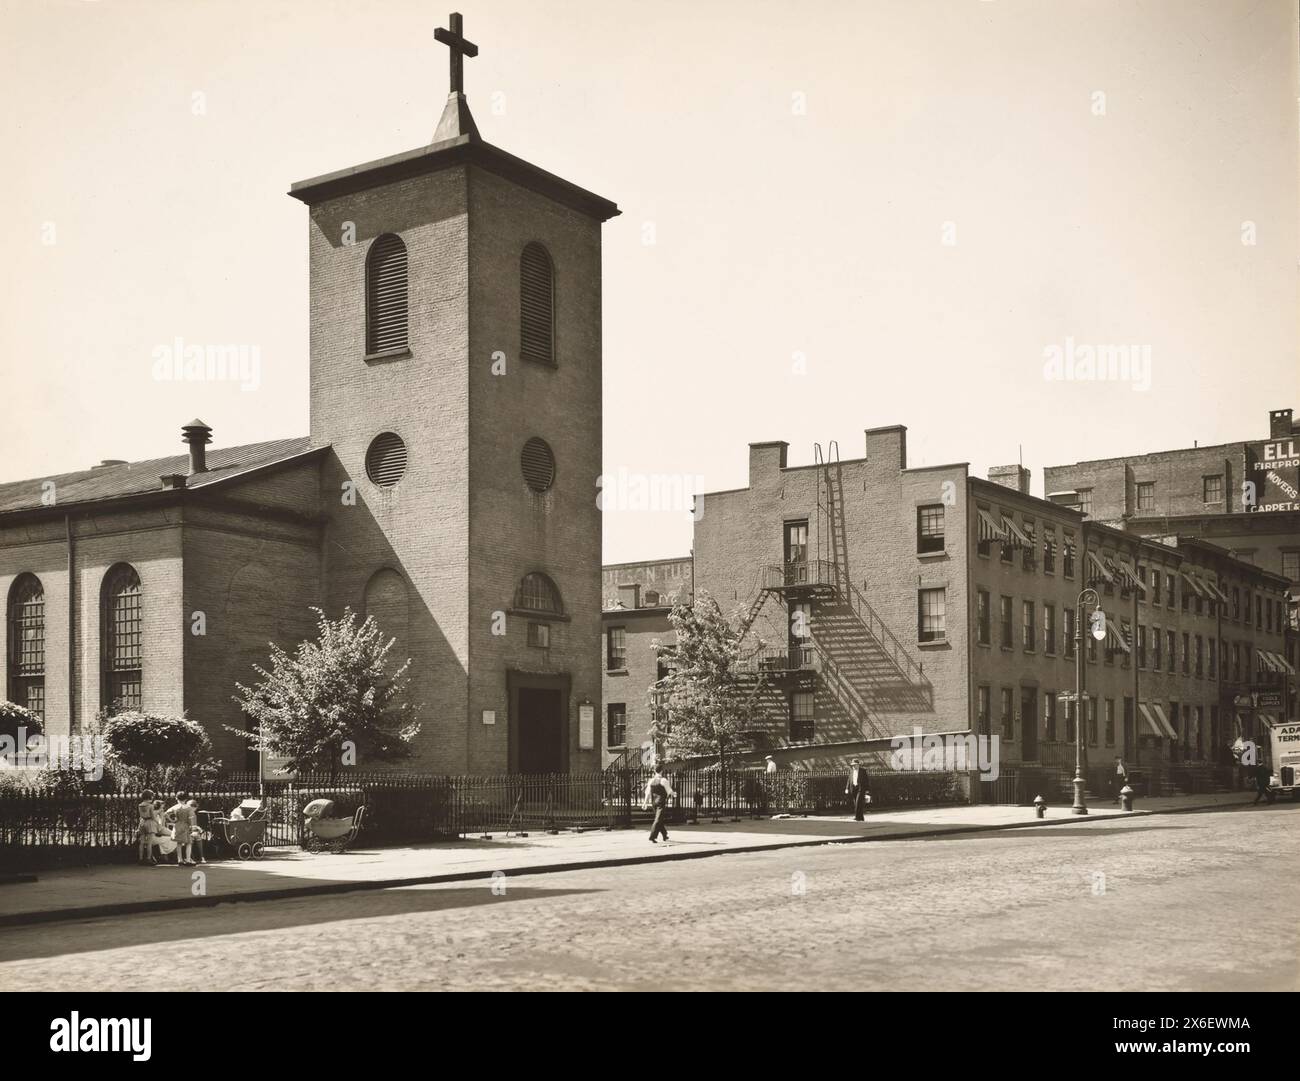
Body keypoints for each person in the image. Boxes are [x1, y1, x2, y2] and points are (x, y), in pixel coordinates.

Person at [644, 766, 676, 844]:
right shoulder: (664, 780)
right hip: (661, 803)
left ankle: (665, 835)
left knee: (659, 819)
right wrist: (674, 794)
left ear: (655, 771)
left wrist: (645, 803)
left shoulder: (651, 780)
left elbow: (647, 793)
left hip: (654, 803)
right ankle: (652, 836)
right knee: (658, 820)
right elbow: (669, 791)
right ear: (661, 771)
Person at [167, 791, 197, 866]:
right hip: (186, 826)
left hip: (177, 825)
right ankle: (188, 860)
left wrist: (172, 820)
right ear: (186, 799)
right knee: (189, 843)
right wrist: (192, 827)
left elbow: (166, 813)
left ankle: (179, 860)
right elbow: (191, 818)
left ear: (177, 798)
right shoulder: (189, 808)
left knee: (179, 843)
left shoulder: (175, 807)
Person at [137, 789, 159, 866]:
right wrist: (157, 822)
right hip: (150, 822)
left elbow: (141, 815)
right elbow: (153, 816)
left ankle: (140, 859)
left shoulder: (140, 805)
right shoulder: (150, 806)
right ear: (150, 796)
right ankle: (148, 859)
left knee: (142, 842)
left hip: (142, 822)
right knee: (149, 842)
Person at [187, 799, 207, 864]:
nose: (194, 809)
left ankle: (202, 857)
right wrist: (195, 828)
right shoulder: (186, 813)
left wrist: (198, 828)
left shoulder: (193, 814)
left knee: (197, 836)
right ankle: (191, 857)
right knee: (192, 836)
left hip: (192, 831)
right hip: (186, 831)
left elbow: (194, 825)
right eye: (193, 808)